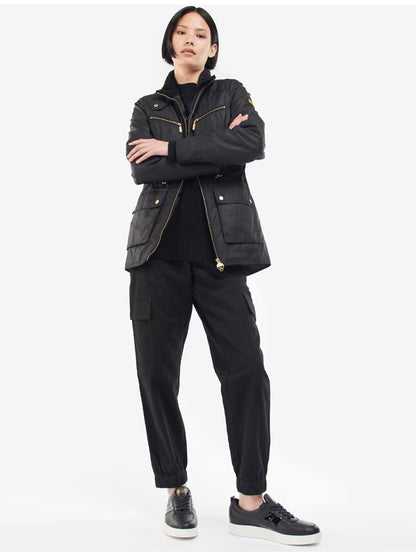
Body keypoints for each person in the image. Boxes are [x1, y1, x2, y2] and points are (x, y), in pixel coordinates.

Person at [124, 5, 321, 546]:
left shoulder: (232, 93)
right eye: (181, 32)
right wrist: (214, 153)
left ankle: (250, 501)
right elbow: (142, 167)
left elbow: (252, 144)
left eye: (201, 34)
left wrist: (173, 148)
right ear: (170, 43)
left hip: (222, 257)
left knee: (246, 371)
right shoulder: (146, 106)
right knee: (157, 376)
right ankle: (176, 488)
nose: (190, 39)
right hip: (156, 257)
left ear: (213, 49)